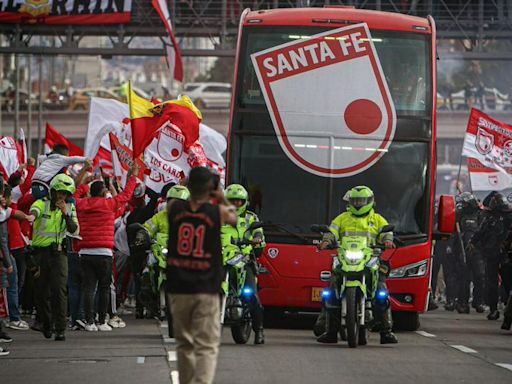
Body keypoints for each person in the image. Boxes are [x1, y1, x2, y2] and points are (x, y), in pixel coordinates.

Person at [166, 167, 237, 384]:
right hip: (206, 286)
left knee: (184, 343)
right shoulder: (217, 213)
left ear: (188, 185)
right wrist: (221, 197)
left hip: (178, 286)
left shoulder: (174, 208)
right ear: (211, 187)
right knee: (205, 345)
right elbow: (233, 217)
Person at [316, 186, 398, 344]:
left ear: (370, 202)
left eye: (361, 201)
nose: (358, 203)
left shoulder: (377, 219)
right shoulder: (342, 218)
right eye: (355, 200)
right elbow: (331, 232)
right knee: (331, 288)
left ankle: (386, 331)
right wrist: (326, 241)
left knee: (381, 289)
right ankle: (330, 331)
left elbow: (386, 231)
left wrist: (388, 240)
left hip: (370, 259)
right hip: (346, 258)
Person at [75, 162, 139, 332]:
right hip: (104, 252)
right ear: (104, 192)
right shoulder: (109, 205)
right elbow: (126, 196)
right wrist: (132, 176)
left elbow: (73, 195)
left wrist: (84, 185)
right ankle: (102, 321)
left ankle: (89, 322)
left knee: (88, 288)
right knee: (104, 288)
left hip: (85, 252)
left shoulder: (81, 205)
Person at [29, 174, 79, 341]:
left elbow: (74, 230)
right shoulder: (41, 204)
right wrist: (31, 217)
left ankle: (60, 329)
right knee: (41, 292)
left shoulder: (70, 208)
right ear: (53, 190)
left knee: (59, 290)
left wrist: (65, 213)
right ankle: (46, 323)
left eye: (65, 194)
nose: (61, 196)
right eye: (59, 192)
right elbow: (34, 211)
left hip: (59, 254)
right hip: (40, 255)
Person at [222, 183, 266, 344]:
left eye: (239, 201)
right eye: (232, 201)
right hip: (221, 259)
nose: (236, 204)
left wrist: (257, 240)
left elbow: (259, 234)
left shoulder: (251, 218)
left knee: (251, 295)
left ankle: (259, 330)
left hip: (243, 260)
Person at [470, 192, 512, 320]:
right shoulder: (489, 217)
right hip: (491, 255)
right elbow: (480, 232)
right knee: (491, 284)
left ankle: (506, 307)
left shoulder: (509, 217)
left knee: (507, 284)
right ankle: (493, 309)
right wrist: (472, 242)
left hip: (506, 256)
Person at [453, 192, 485, 314]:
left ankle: (478, 302)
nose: (464, 205)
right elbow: (454, 234)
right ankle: (463, 303)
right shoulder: (459, 216)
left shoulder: (480, 215)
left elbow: (483, 233)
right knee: (464, 279)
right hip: (463, 250)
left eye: (466, 203)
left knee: (479, 277)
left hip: (477, 251)